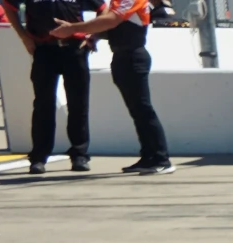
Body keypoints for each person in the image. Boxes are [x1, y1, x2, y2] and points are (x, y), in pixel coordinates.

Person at [51, 0, 167, 172]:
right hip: (122, 56)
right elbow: (113, 26)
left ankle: (160, 158)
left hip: (133, 56)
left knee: (142, 109)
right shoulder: (117, 2)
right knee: (137, 110)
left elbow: (111, 20)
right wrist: (94, 35)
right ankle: (149, 156)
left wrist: (72, 28)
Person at [14, 0, 88, 175]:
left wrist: (92, 36)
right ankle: (39, 157)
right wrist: (24, 36)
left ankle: (79, 154)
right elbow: (9, 7)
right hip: (44, 50)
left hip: (74, 49)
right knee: (43, 105)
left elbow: (103, 10)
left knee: (78, 104)